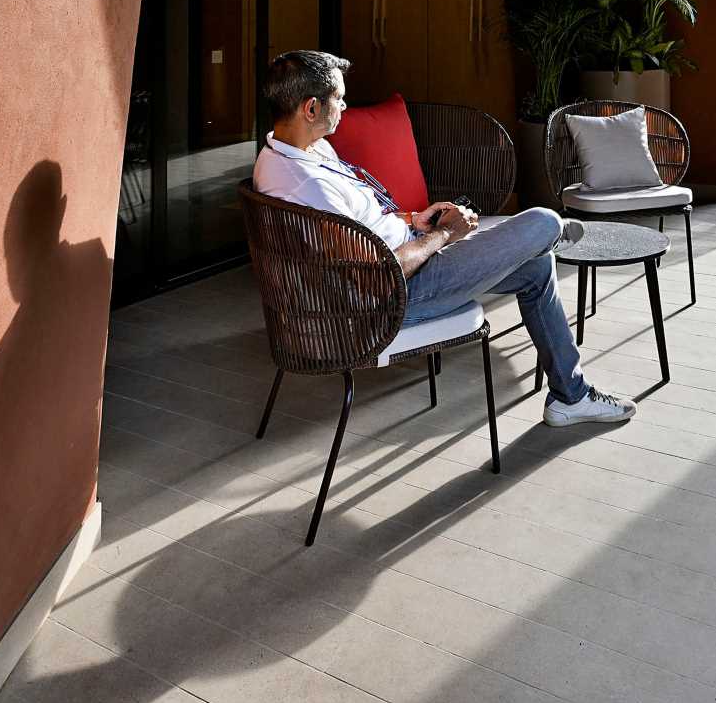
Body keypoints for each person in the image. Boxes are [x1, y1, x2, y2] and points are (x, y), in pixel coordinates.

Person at [252, 50, 635, 426]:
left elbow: (359, 225)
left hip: (406, 256)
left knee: (537, 266)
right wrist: (444, 234)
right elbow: (375, 275)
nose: (346, 105)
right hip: (394, 296)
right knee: (544, 221)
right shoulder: (307, 186)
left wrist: (415, 220)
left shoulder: (292, 152)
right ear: (311, 109)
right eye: (338, 97)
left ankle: (572, 396)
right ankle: (550, 240)